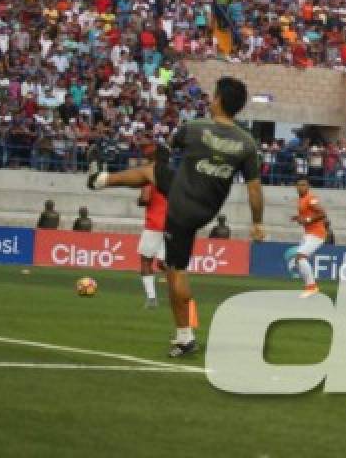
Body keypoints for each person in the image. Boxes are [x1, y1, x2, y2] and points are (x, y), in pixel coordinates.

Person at [86, 76, 265, 358]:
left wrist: (162, 166)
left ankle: (184, 337)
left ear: (217, 99)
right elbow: (254, 188)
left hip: (181, 207)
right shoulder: (247, 143)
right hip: (206, 208)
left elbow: (165, 151)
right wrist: (257, 223)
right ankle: (100, 179)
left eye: (212, 95)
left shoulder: (194, 128)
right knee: (152, 172)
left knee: (176, 270)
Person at [289, 178, 327, 298]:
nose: (301, 187)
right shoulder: (301, 200)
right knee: (298, 260)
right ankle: (309, 286)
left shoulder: (310, 198)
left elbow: (322, 213)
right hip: (309, 234)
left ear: (308, 186)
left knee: (300, 257)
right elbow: (306, 217)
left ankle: (312, 287)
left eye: (303, 185)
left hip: (317, 234)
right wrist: (299, 218)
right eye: (299, 185)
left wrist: (306, 220)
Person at [137, 181, 168, 308]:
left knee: (146, 262)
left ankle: (151, 299)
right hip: (170, 226)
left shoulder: (149, 181)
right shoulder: (172, 181)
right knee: (162, 263)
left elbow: (144, 199)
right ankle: (178, 291)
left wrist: (140, 198)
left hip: (153, 226)